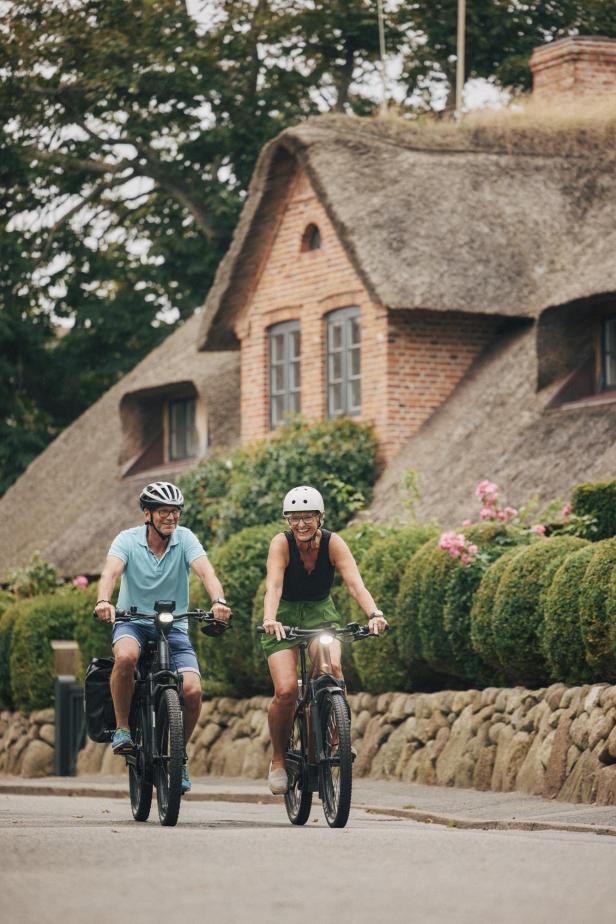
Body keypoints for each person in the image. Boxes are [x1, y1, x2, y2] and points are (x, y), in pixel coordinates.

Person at [94, 481, 230, 793]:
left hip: (174, 628)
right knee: (126, 657)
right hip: (133, 622)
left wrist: (218, 602)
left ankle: (178, 755)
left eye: (175, 512)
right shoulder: (126, 540)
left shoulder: (186, 539)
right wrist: (104, 600)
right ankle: (123, 729)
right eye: (164, 512)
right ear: (148, 514)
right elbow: (110, 574)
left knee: (193, 691)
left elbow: (206, 573)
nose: (171, 518)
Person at [261, 485, 388, 794]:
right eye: (294, 518)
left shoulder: (334, 543)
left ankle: (337, 741)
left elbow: (355, 584)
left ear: (320, 517)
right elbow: (274, 586)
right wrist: (270, 618)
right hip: (285, 618)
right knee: (287, 690)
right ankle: (279, 760)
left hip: (321, 614)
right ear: (287, 520)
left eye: (307, 517)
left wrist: (374, 613)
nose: (301, 524)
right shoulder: (281, 543)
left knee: (331, 670)